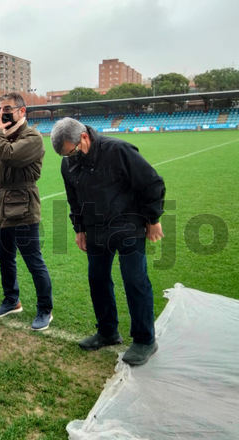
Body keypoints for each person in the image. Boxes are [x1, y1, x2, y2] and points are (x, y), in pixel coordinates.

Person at [51, 117, 165, 366]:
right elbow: (74, 199)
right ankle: (107, 331)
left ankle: (145, 340)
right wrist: (79, 228)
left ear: (83, 138)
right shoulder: (68, 163)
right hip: (95, 229)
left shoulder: (119, 150)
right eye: (64, 155)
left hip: (127, 225)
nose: (69, 158)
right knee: (98, 279)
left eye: (71, 152)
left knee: (135, 280)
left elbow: (151, 183)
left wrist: (153, 219)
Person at [0, 92, 53, 331]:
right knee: (5, 259)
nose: (2, 113)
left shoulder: (32, 137)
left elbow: (10, 155)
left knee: (33, 261)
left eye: (7, 108)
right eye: (0, 109)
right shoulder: (3, 137)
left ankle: (45, 309)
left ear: (22, 111)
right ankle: (11, 300)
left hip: (23, 208)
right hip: (0, 206)